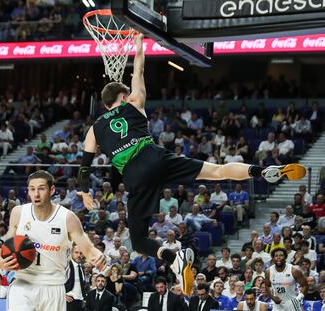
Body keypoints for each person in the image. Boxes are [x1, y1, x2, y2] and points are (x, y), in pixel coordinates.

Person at [76, 33, 306, 295]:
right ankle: (261, 171)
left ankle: (173, 258)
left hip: (134, 174)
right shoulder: (135, 102)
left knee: (139, 241)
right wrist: (139, 45)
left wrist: (84, 193)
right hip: (155, 156)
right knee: (217, 171)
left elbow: (85, 167)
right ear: (125, 96)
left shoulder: (94, 129)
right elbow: (138, 68)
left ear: (105, 104)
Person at [0, 170, 106, 311]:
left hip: (54, 287)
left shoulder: (68, 218)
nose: (36, 194)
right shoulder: (18, 213)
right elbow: (7, 245)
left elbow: (89, 250)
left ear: (52, 190)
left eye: (41, 189)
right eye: (32, 189)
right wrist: (0, 260)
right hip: (23, 284)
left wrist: (97, 256)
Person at [65, 244, 86, 311]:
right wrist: (62, 295)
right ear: (71, 253)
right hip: (69, 301)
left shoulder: (81, 267)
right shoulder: (66, 265)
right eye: (76, 252)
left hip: (80, 302)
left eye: (81, 253)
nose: (79, 255)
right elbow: (56, 281)